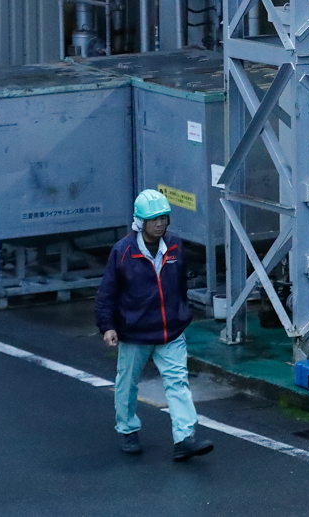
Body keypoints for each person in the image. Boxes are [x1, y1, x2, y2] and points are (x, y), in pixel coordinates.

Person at [94, 189, 213, 461]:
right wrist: (107, 326)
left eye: (163, 218)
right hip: (134, 333)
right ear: (140, 222)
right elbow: (107, 292)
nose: (160, 224)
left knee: (177, 382)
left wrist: (179, 312)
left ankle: (184, 438)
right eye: (154, 219)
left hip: (170, 331)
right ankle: (128, 429)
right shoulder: (123, 251)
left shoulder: (175, 246)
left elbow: (180, 284)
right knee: (127, 384)